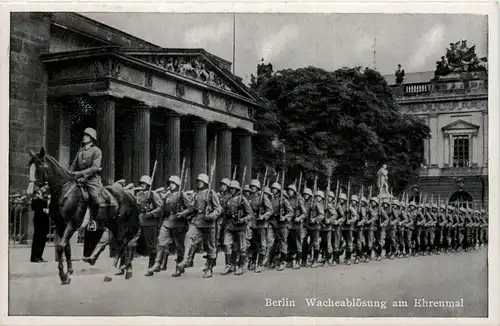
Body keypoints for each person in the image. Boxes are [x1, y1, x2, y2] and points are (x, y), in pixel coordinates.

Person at [173, 173, 222, 278]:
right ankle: (185, 259)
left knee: (210, 246)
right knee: (188, 237)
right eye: (198, 181)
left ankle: (209, 268)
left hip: (209, 223)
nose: (199, 183)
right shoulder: (196, 194)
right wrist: (183, 213)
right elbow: (192, 208)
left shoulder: (211, 193)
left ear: (205, 183)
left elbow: (218, 209)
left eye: (201, 181)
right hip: (197, 221)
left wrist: (211, 216)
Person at [69, 127, 115, 232]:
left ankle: (95, 221)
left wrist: (79, 174)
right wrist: (69, 173)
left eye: (87, 136)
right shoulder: (80, 151)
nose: (85, 137)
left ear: (92, 138)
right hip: (79, 179)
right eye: (84, 135)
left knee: (96, 199)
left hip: (92, 180)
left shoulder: (97, 151)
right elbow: (74, 164)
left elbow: (95, 168)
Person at [150, 175, 188, 275]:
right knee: (160, 241)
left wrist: (183, 213)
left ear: (177, 184)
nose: (170, 185)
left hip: (178, 222)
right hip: (167, 221)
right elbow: (162, 208)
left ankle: (179, 268)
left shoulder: (182, 194)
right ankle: (157, 263)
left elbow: (190, 208)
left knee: (179, 246)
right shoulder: (167, 195)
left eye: (173, 183)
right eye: (170, 183)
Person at [222, 180, 253, 275]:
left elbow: (250, 214)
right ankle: (229, 265)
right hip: (230, 225)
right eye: (230, 188)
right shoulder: (228, 199)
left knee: (242, 247)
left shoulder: (242, 199)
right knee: (227, 244)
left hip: (240, 226)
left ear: (237, 189)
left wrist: (243, 220)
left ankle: (240, 266)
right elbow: (224, 212)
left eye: (233, 189)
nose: (231, 190)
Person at [135, 175, 163, 277]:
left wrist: (150, 214)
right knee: (139, 244)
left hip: (151, 223)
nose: (142, 185)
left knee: (151, 246)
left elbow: (160, 207)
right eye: (141, 183)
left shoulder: (153, 194)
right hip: (141, 222)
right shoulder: (139, 194)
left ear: (148, 184)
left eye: (144, 184)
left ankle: (151, 267)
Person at [263, 182, 293, 271]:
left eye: (275, 189)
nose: (273, 190)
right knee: (270, 242)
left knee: (282, 243)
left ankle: (283, 262)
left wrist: (285, 217)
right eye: (272, 188)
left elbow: (291, 212)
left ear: (278, 190)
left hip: (282, 224)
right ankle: (270, 260)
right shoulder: (270, 199)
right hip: (272, 222)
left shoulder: (283, 200)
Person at [287, 184, 306, 269]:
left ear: (294, 191)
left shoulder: (299, 200)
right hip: (289, 224)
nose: (289, 192)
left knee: (298, 243)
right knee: (290, 243)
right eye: (289, 190)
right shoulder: (287, 199)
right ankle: (290, 261)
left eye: (291, 190)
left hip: (297, 225)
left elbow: (304, 213)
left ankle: (298, 261)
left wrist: (299, 218)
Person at [30, 186, 50, 263]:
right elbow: (33, 207)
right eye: (43, 189)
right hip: (38, 220)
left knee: (43, 239)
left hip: (44, 220)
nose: (44, 191)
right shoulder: (36, 199)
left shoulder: (45, 199)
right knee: (37, 238)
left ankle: (39, 256)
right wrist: (37, 197)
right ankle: (34, 257)